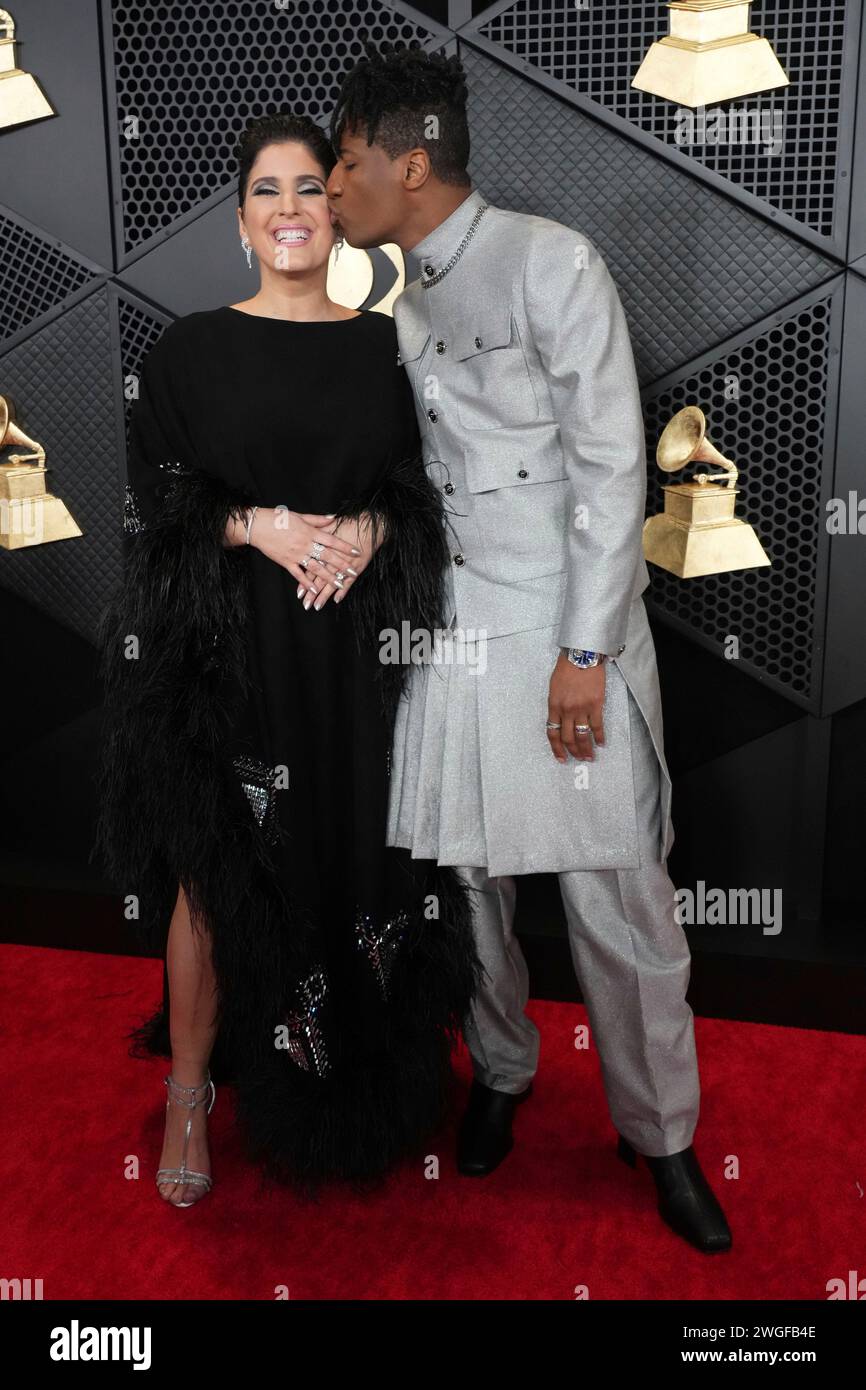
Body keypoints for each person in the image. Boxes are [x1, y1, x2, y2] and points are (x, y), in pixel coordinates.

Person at [323, 41, 732, 1253]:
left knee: (617, 897)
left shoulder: (550, 261)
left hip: (566, 631)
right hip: (456, 639)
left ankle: (658, 1132)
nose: (334, 190)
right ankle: (501, 1070)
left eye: (345, 167)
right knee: (471, 890)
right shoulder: (398, 308)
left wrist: (585, 655)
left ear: (411, 163)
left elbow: (612, 467)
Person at [96, 111, 482, 1206]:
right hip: (233, 652)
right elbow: (157, 507)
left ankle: (356, 1084)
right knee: (217, 879)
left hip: (361, 659)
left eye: (309, 188)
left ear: (336, 209)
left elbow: (430, 491)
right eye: (267, 192)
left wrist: (370, 529)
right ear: (239, 222)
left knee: (370, 867)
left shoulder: (387, 345)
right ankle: (187, 1093)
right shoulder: (188, 350)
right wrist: (254, 522)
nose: (289, 211)